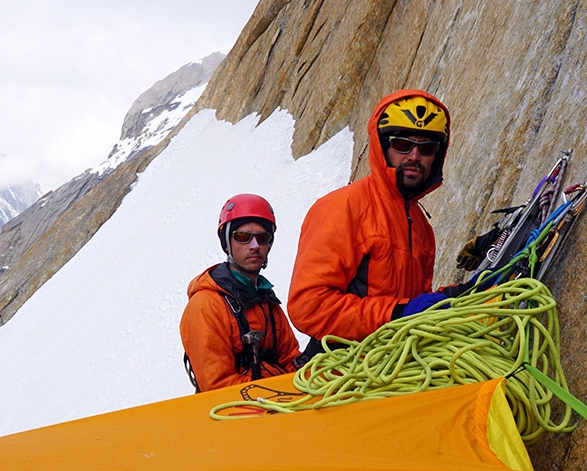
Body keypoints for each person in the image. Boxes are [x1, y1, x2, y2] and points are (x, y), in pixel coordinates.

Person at [288, 89, 469, 359]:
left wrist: (457, 294)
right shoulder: (342, 208)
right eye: (402, 145)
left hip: (391, 367)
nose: (414, 156)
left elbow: (411, 300)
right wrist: (396, 313)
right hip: (339, 372)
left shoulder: (420, 224)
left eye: (427, 148)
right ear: (383, 146)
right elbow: (308, 307)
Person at [180, 194, 302, 392]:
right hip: (235, 414)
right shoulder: (205, 306)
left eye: (263, 238)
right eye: (243, 237)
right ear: (227, 243)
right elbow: (217, 387)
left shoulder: (267, 302)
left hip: (276, 404)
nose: (255, 246)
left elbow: (290, 359)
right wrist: (279, 386)